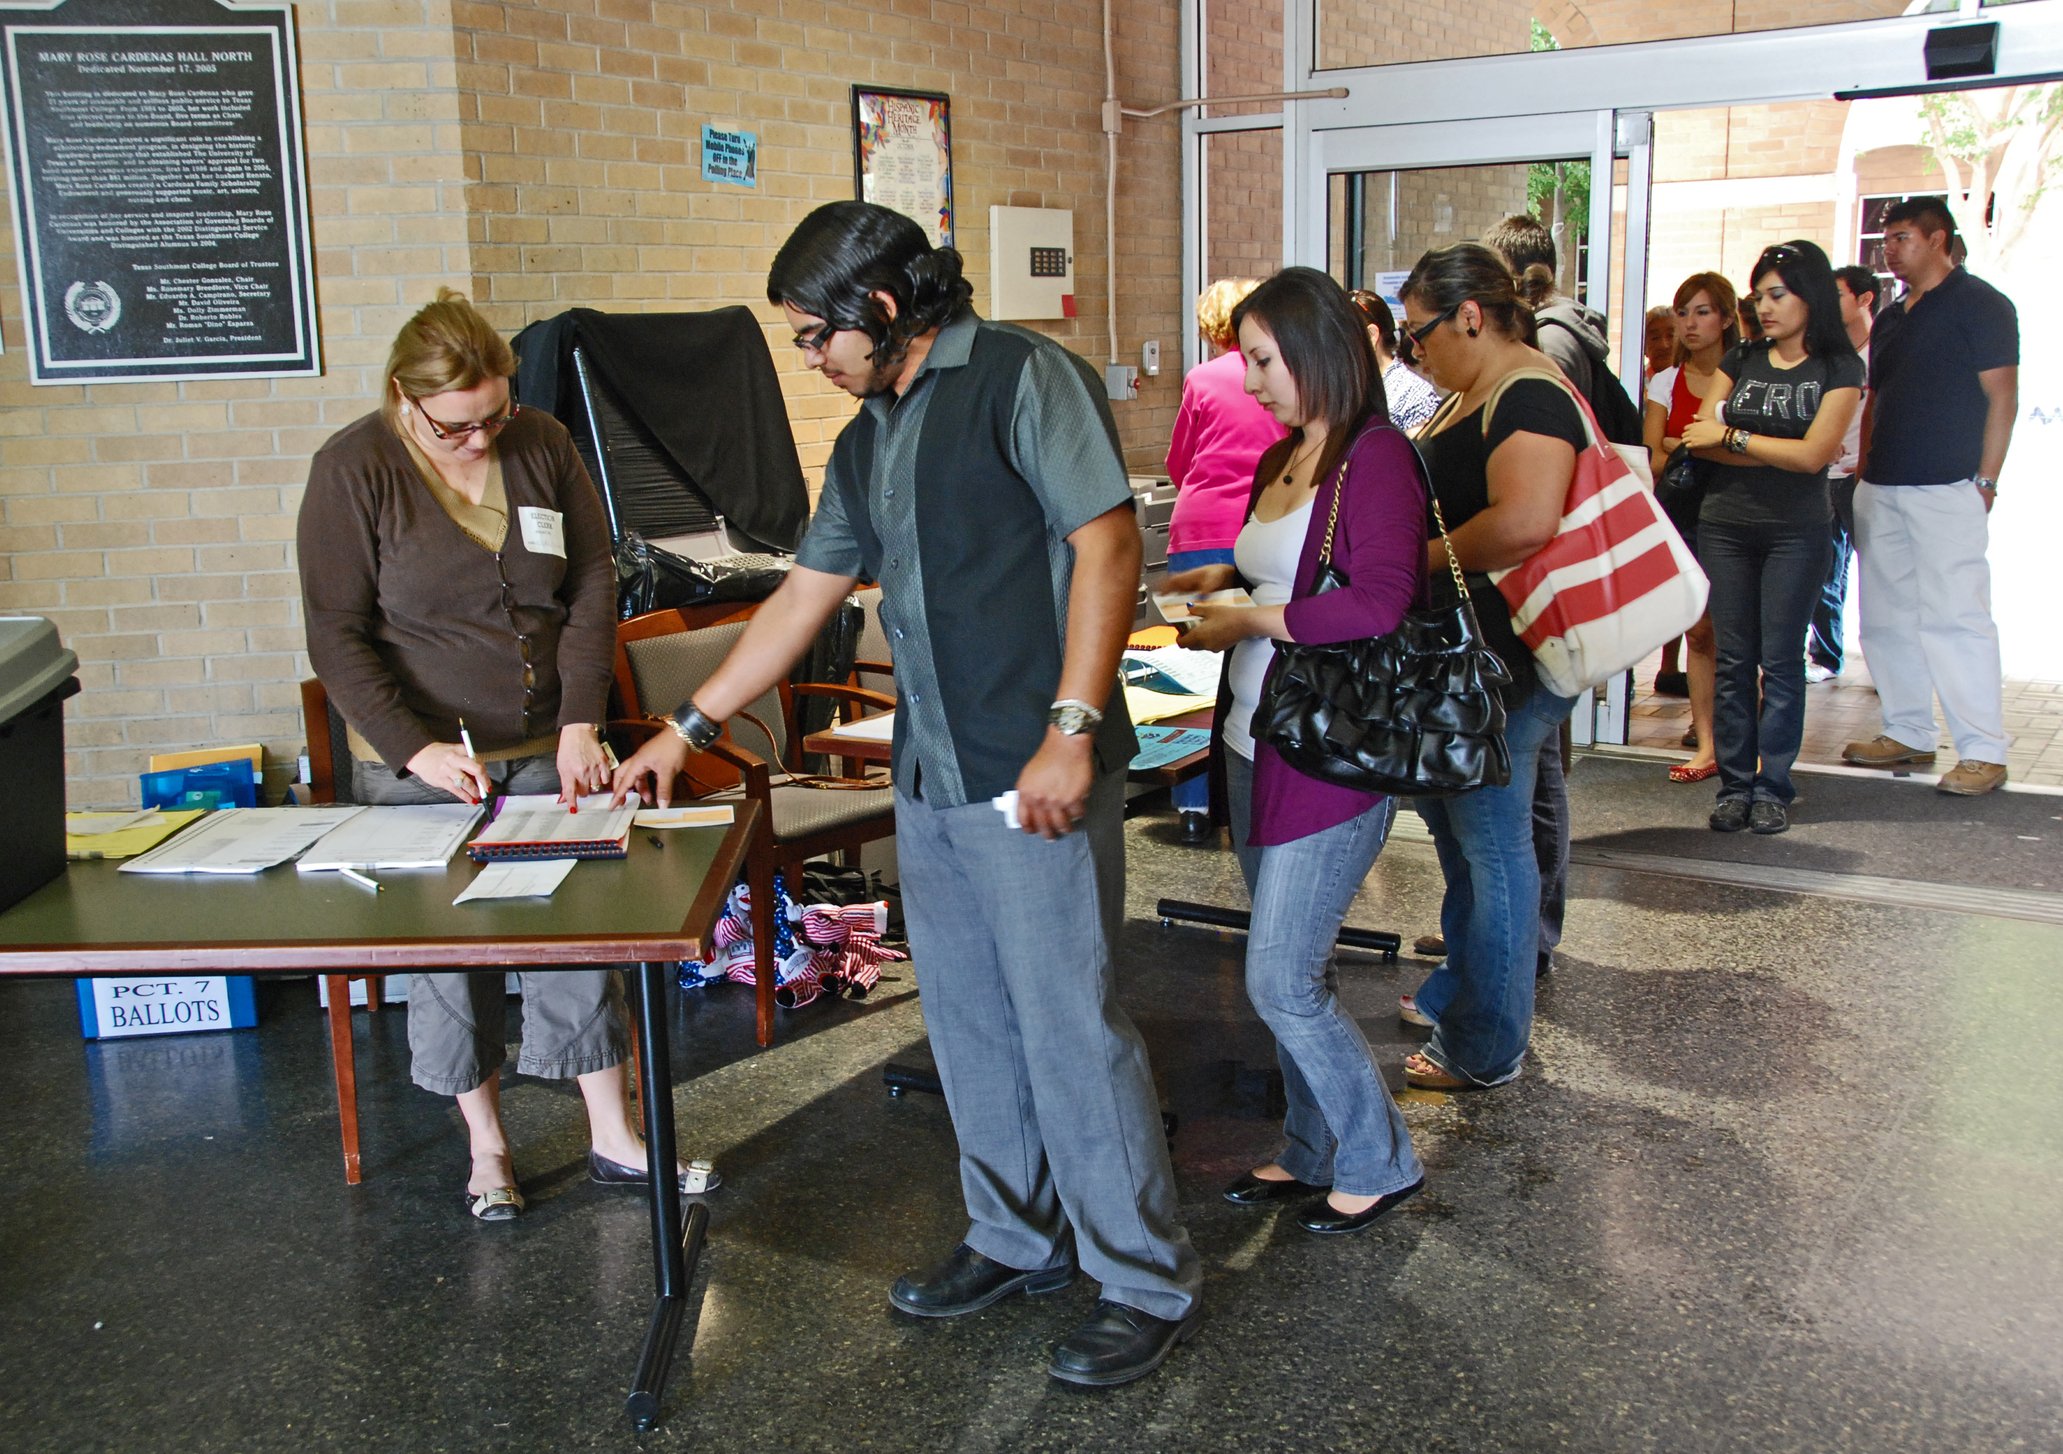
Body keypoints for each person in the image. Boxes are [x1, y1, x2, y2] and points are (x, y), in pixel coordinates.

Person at [610, 202, 1202, 1387]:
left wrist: (1071, 730)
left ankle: (1141, 1276)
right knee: (972, 1023)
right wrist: (687, 722)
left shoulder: (1028, 378)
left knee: (1068, 1030)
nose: (810, 360)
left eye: (812, 335)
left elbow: (1107, 546)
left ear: (879, 308)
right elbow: (801, 594)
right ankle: (1015, 1236)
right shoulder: (869, 435)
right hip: (932, 768)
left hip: (1033, 767)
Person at [297, 289, 700, 1223]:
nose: (482, 442)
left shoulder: (543, 444)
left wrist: (578, 720)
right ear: (406, 398)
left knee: (576, 937)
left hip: (545, 745)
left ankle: (611, 1135)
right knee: (452, 957)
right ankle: (487, 1147)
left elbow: (593, 580)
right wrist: (414, 749)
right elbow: (335, 633)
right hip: (426, 764)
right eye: (457, 427)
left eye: (495, 416)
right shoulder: (353, 468)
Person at [1166, 268, 1427, 1232]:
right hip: (1250, 738)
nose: (1252, 379)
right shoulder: (1288, 453)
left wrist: (1250, 619)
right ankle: (1311, 1149)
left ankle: (1378, 1156)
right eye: (1246, 359)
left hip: (1329, 752)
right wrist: (1213, 580)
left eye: (1264, 360)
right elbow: (1273, 562)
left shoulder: (1377, 456)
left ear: (1318, 352)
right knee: (1290, 976)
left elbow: (1376, 601)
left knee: (1278, 977)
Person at [1395, 244, 1582, 1091]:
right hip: (1477, 659)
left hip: (1510, 659)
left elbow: (1524, 520)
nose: (1414, 353)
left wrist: (1419, 559)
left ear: (1469, 314)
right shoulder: (1478, 391)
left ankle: (1486, 1046)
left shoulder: (1528, 391)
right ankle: (1461, 995)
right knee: (1466, 839)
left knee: (1492, 847)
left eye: (1419, 333)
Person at [1682, 241, 1862, 834]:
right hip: (1726, 525)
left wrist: (1737, 438)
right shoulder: (1742, 357)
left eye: (1777, 294)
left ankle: (1773, 786)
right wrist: (1779, 451)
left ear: (1809, 295)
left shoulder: (1840, 366)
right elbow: (1698, 437)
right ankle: (1735, 785)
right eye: (1758, 296)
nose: (1764, 307)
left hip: (1798, 532)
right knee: (1735, 660)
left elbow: (1814, 457)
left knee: (1782, 662)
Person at [1845, 196, 2019, 796]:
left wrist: (1987, 478)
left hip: (1948, 484)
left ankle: (1983, 750)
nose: (1889, 247)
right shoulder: (1892, 317)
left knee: (1957, 617)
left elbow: (2002, 397)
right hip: (1883, 484)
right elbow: (1874, 398)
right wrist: (1864, 471)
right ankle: (1909, 730)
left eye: (1901, 238)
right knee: (1886, 617)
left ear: (1938, 238)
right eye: (1887, 238)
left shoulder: (1982, 305)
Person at [1164, 278, 1284, 842]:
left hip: (1199, 530)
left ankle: (1193, 804)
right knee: (1255, 665)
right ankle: (1253, 792)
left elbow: (1179, 461)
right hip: (1259, 529)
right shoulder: (1285, 380)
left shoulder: (1202, 379)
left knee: (1198, 671)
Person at [1644, 271, 1742, 784]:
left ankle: (1744, 739)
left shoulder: (1746, 376)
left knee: (1741, 632)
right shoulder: (1665, 381)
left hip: (1737, 509)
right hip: (1684, 513)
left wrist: (1696, 444)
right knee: (1699, 631)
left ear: (1727, 318)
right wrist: (1710, 444)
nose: (1689, 323)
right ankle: (1706, 743)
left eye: (1701, 311)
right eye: (1683, 312)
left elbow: (1677, 445)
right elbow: (1654, 452)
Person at [1806, 265, 1877, 683]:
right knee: (1823, 573)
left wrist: (1868, 460)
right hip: (1823, 474)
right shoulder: (1827, 356)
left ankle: (1893, 669)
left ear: (1865, 299)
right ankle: (1827, 657)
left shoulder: (1881, 353)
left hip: (1862, 477)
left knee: (1881, 573)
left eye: (1837, 295)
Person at [1349, 288, 1442, 432]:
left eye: (1340, 336)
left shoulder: (1413, 396)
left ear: (1371, 335)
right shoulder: (1347, 389)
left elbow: (1416, 453)